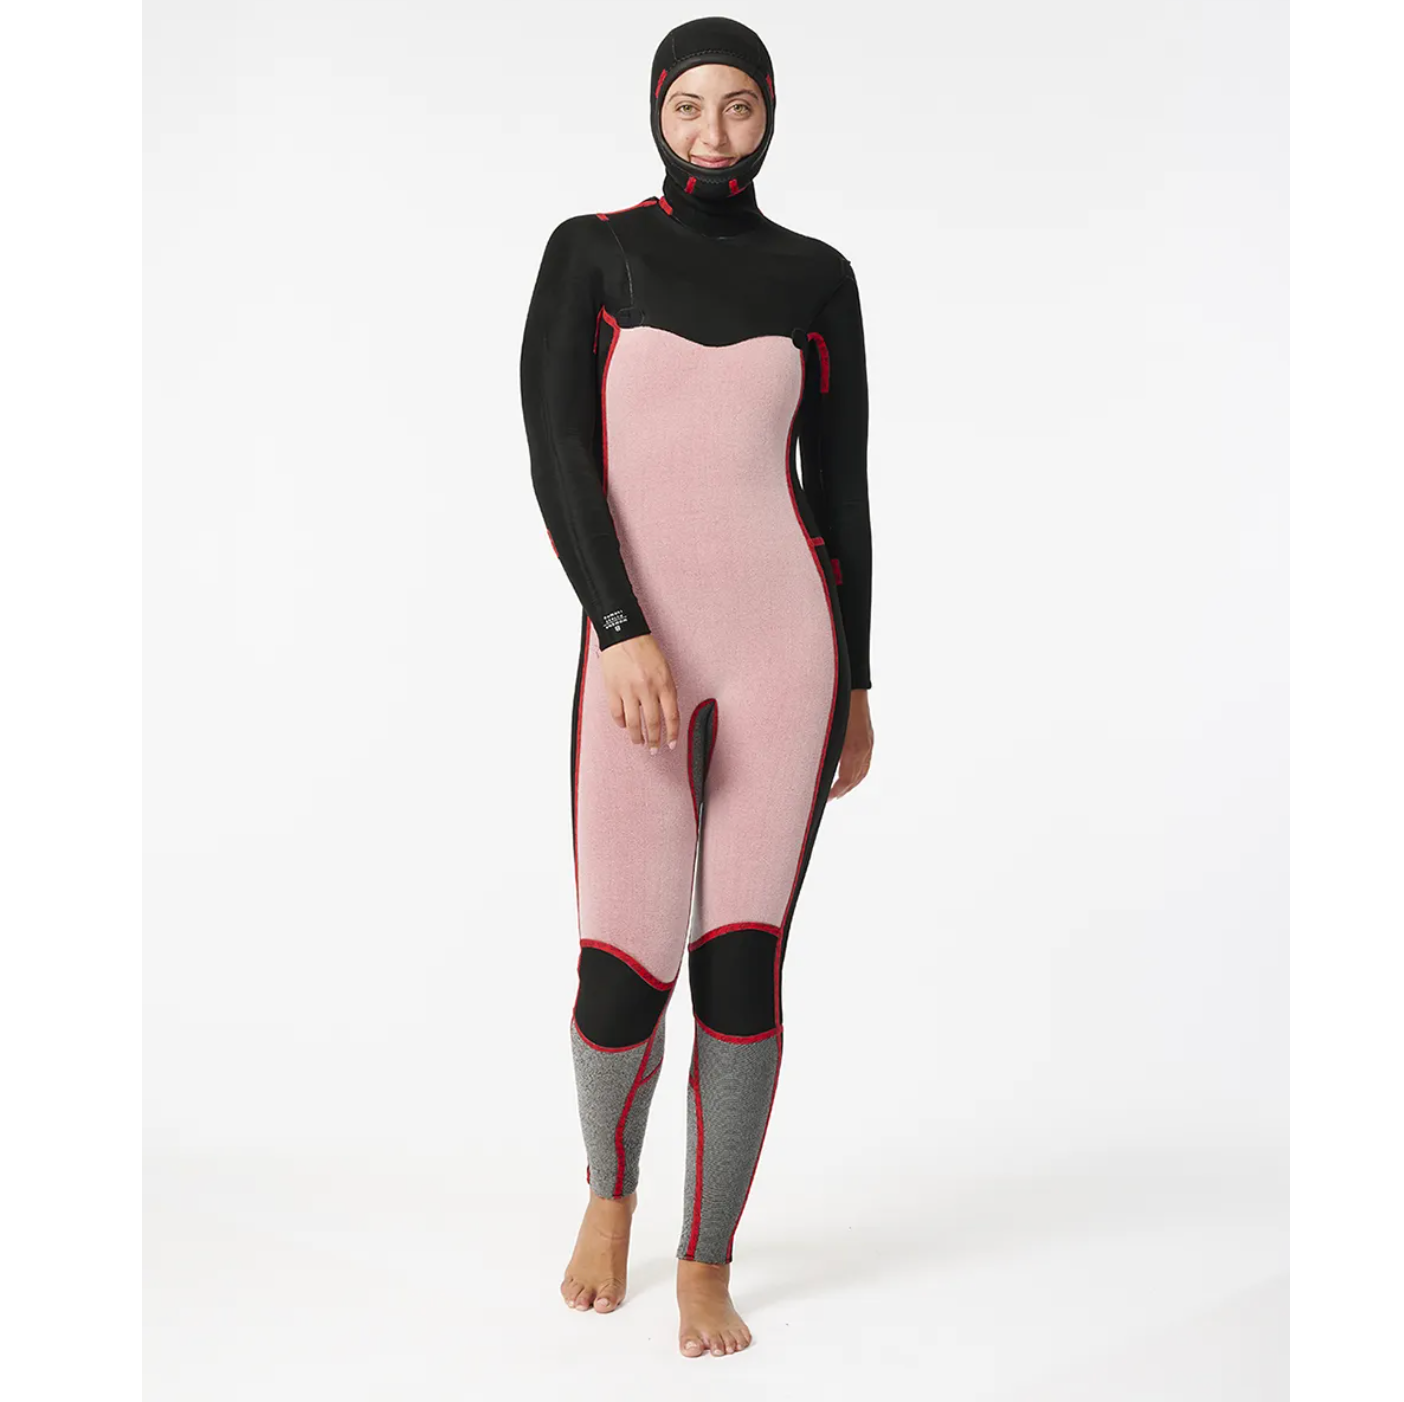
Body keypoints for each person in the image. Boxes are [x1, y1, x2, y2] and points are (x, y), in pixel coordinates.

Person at [519, 15, 875, 1359]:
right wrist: (619, 626)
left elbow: (841, 491)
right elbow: (559, 454)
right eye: (690, 107)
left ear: (769, 113)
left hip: (789, 656)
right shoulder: (593, 251)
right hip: (639, 664)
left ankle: (707, 1255)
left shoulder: (817, 277)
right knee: (622, 966)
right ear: (656, 111)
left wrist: (856, 682)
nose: (714, 132)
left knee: (741, 967)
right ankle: (609, 1194)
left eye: (739, 106)